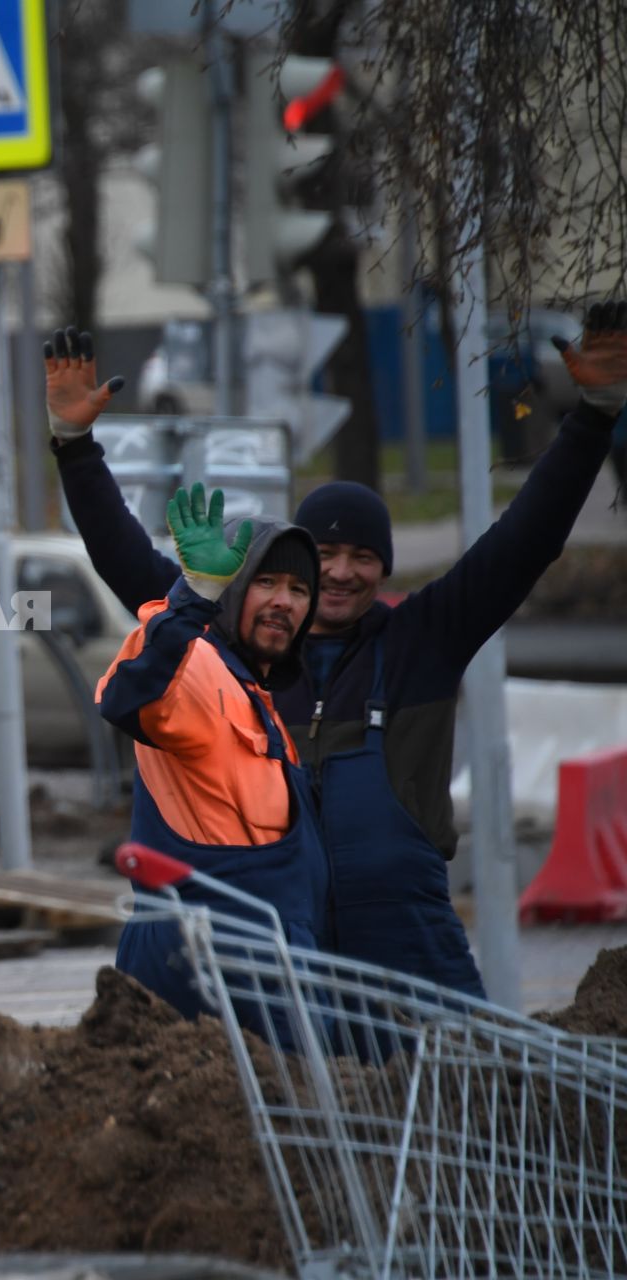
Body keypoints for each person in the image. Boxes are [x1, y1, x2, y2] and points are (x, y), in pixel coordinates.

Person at [47, 308, 627, 996]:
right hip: (286, 955)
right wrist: (75, 445)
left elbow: (525, 539)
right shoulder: (226, 653)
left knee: (459, 1096)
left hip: (409, 952)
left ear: (383, 568)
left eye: (364, 557)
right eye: (323, 558)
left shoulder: (422, 640)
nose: (343, 573)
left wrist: (592, 416)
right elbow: (128, 563)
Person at [97, 485, 327, 1017]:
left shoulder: (258, 701)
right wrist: (192, 595)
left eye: (297, 588)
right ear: (231, 589)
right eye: (265, 582)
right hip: (204, 971)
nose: (282, 601)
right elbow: (128, 695)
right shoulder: (199, 665)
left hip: (266, 969)